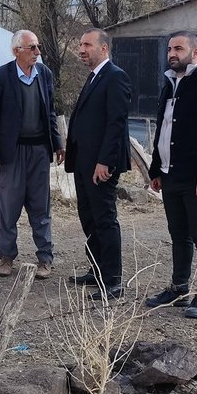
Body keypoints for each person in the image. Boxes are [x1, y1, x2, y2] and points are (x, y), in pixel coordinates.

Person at [145, 31, 197, 318]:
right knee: (178, 234)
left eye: (178, 48)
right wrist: (156, 170)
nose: (172, 53)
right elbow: (164, 130)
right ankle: (179, 289)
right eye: (169, 48)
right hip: (171, 175)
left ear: (195, 53)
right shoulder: (170, 84)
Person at [0, 30, 65, 279]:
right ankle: (6, 257)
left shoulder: (44, 74)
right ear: (16, 50)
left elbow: (50, 112)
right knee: (8, 207)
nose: (37, 52)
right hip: (11, 153)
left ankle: (45, 259)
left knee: (41, 207)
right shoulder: (2, 76)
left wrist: (58, 143)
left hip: (39, 151)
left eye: (37, 47)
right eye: (32, 48)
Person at [65, 29, 132, 299]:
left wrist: (105, 161)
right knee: (89, 218)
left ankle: (113, 281)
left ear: (103, 49)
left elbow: (116, 123)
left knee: (104, 220)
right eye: (80, 44)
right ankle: (97, 271)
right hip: (83, 163)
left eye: (87, 45)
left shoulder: (115, 77)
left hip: (101, 165)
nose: (81, 49)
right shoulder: (94, 77)